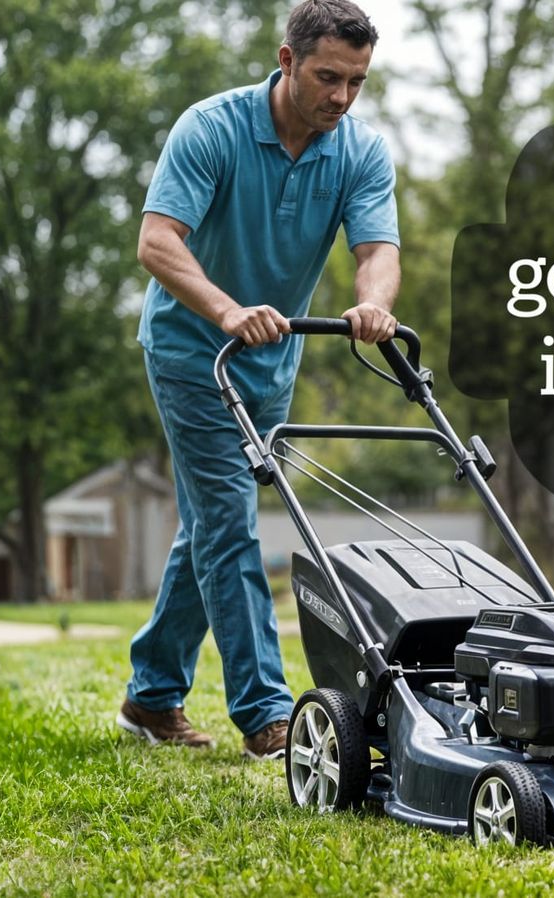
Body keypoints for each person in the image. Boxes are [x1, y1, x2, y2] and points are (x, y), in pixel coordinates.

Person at [117, 0, 400, 760]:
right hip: (190, 353)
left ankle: (150, 695)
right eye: (327, 77)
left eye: (357, 82)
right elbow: (156, 241)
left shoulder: (359, 153)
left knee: (212, 524)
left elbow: (376, 249)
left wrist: (373, 305)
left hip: (272, 365)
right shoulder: (210, 129)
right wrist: (226, 309)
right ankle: (267, 714)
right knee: (231, 525)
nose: (341, 97)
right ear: (286, 60)